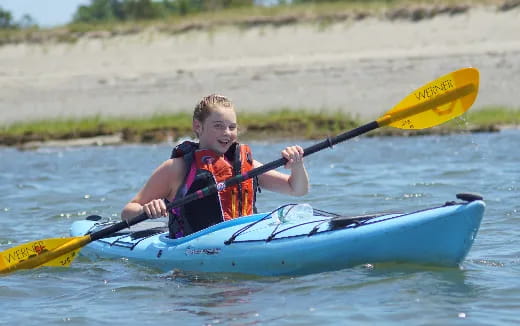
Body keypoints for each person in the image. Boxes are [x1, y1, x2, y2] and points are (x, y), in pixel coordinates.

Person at [121, 94, 309, 238]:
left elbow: (296, 189)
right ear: (198, 126)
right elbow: (128, 211)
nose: (226, 133)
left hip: (244, 240)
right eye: (218, 126)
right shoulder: (176, 168)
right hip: (191, 253)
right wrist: (147, 210)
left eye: (232, 127)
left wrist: (297, 164)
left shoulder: (245, 165)